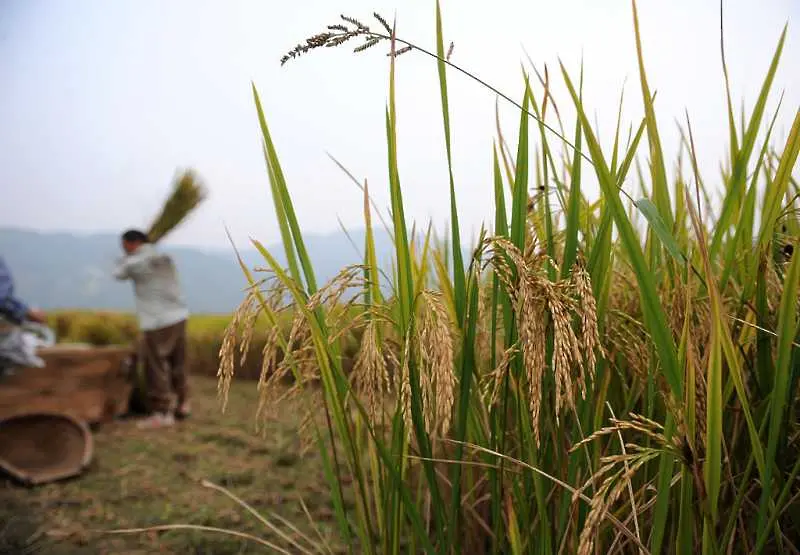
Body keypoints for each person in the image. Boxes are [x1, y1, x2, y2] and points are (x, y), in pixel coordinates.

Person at [113, 230, 191, 429]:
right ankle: (183, 404)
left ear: (132, 243)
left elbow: (118, 274)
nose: (124, 250)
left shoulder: (135, 262)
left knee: (155, 365)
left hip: (157, 320)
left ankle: (162, 413)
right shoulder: (162, 257)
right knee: (178, 361)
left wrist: (125, 258)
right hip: (179, 315)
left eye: (124, 246)